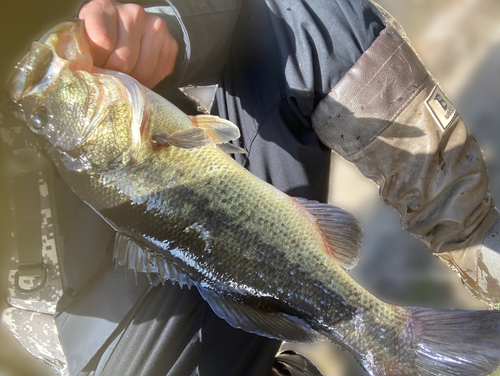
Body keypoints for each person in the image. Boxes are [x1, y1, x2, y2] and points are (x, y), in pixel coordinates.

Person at [4, 0, 500, 375]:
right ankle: (368, 345)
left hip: (183, 228)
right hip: (84, 332)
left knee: (298, 13)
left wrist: (170, 26)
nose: (39, 78)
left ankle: (480, 238)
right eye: (44, 108)